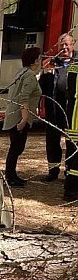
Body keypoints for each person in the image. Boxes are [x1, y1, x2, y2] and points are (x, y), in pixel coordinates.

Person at [39, 33, 78, 181]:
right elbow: (41, 87)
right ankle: (53, 171)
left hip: (73, 111)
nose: (64, 48)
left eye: (67, 44)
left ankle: (70, 170)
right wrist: (44, 73)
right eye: (61, 45)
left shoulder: (77, 61)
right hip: (54, 109)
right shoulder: (51, 63)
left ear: (72, 44)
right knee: (52, 140)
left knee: (71, 141)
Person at [2, 46, 42, 188]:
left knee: (16, 147)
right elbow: (23, 97)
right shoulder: (29, 76)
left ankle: (12, 175)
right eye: (39, 58)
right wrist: (24, 119)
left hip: (13, 115)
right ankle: (10, 177)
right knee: (16, 147)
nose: (41, 60)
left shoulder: (21, 72)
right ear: (35, 60)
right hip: (19, 117)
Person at [63, 59, 78, 201]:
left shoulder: (73, 67)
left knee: (71, 153)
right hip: (76, 119)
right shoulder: (75, 68)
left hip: (72, 117)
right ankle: (71, 189)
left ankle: (69, 184)